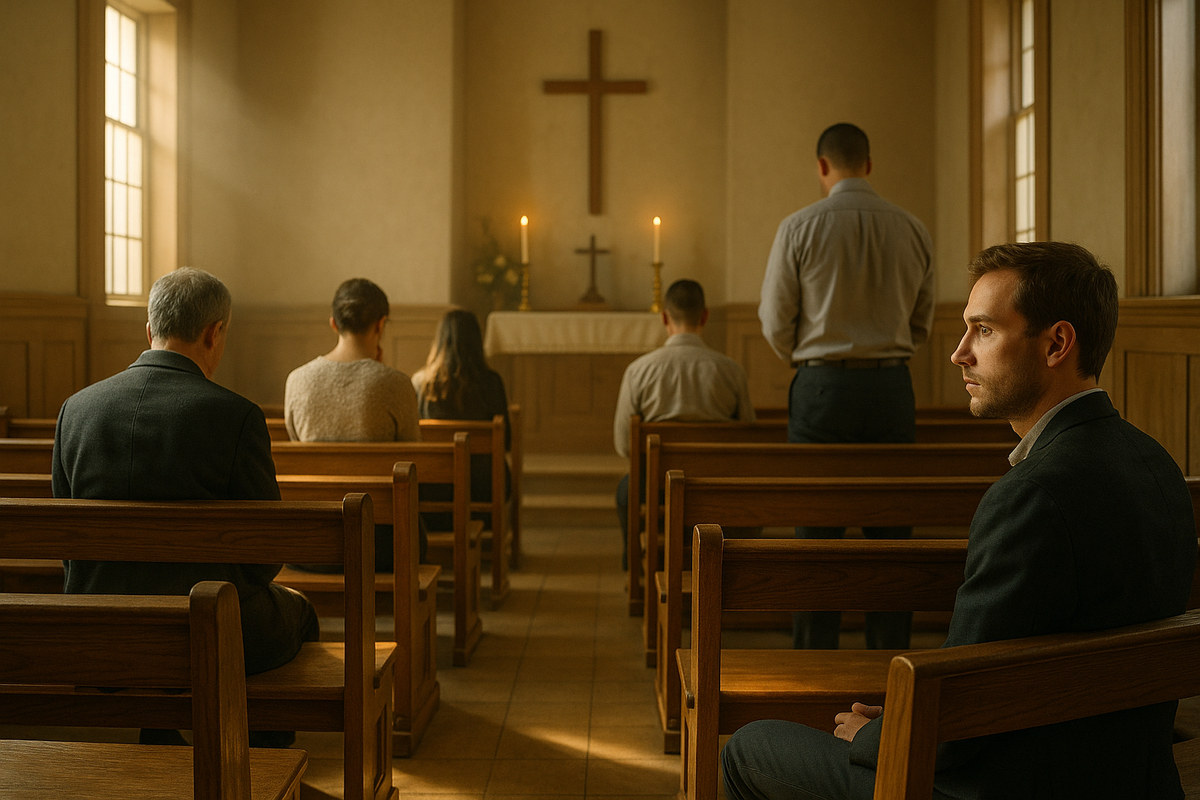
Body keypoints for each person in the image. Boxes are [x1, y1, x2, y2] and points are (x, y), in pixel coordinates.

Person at [723, 242, 1197, 800]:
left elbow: (957, 722)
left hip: (1007, 785)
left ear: (1057, 344)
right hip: (1126, 776)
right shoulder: (1158, 463)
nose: (959, 353)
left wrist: (878, 736)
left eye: (984, 330)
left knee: (748, 749)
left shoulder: (1032, 495)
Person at [53, 267, 320, 745]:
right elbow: (264, 558)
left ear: (149, 330)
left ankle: (158, 733)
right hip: (206, 632)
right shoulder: (235, 415)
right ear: (215, 333)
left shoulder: (77, 409)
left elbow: (67, 542)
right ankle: (257, 756)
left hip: (101, 627)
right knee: (300, 613)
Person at [758, 122, 935, 650]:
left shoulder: (798, 226)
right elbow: (922, 320)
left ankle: (813, 664)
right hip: (891, 387)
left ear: (821, 167)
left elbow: (773, 319)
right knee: (891, 538)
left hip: (821, 390)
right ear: (869, 164)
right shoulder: (912, 228)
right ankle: (891, 673)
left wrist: (811, 361)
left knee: (817, 537)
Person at [614, 279, 755, 567]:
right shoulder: (731, 371)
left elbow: (624, 444)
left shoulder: (638, 371)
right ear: (704, 316)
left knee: (626, 491)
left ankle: (644, 563)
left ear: (665, 317)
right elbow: (748, 436)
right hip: (716, 485)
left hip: (656, 485)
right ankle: (724, 564)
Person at [284, 277, 424, 566]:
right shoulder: (396, 383)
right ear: (381, 324)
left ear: (334, 323)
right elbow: (412, 461)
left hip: (310, 542)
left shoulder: (297, 380)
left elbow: (298, 447)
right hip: (384, 544)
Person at [411, 308, 512, 532]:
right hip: (484, 489)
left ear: (440, 340)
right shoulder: (491, 382)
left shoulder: (420, 383)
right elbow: (506, 442)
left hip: (434, 490)